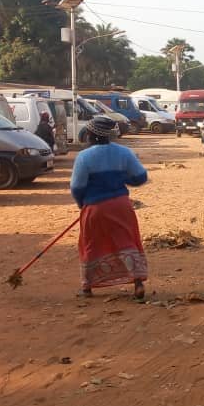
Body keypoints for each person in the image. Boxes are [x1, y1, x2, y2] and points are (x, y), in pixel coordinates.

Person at [70, 117, 149, 301]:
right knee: (127, 241)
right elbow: (140, 177)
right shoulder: (124, 152)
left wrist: (82, 203)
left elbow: (77, 186)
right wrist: (121, 179)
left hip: (95, 207)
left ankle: (87, 287)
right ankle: (137, 282)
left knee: (90, 243)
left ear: (90, 135)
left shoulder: (84, 157)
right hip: (121, 204)